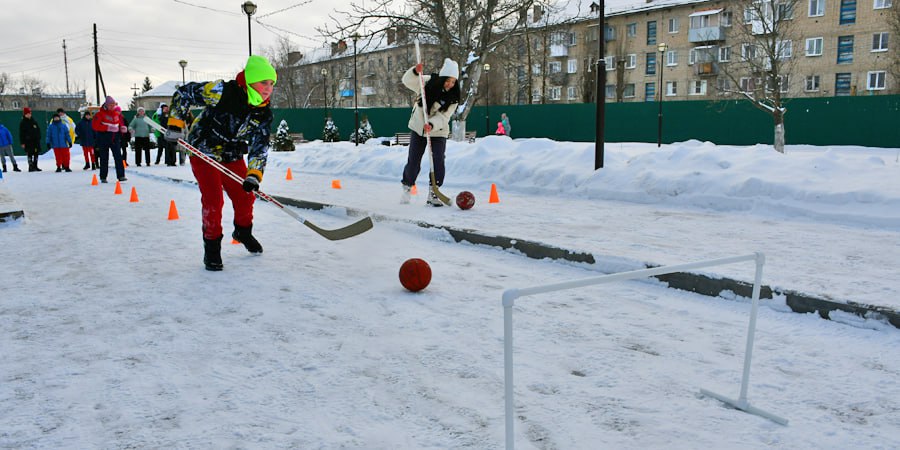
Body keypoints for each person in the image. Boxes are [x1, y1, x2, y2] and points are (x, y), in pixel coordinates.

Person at [167, 55, 276, 271]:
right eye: (264, 82)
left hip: (231, 153)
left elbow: (259, 146)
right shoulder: (222, 91)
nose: (268, 88)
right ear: (251, 79)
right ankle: (212, 248)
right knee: (214, 200)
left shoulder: (263, 113)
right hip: (204, 148)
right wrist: (175, 124)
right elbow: (184, 93)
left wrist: (254, 174)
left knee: (246, 195)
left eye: (272, 84)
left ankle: (243, 231)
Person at [399, 57, 460, 206]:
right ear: (442, 78)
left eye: (453, 82)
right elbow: (408, 81)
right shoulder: (426, 82)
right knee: (414, 161)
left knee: (438, 160)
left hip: (438, 131)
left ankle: (434, 192)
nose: (450, 85)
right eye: (448, 80)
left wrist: (432, 124)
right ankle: (407, 187)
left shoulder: (453, 98)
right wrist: (415, 71)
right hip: (419, 129)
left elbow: (444, 117)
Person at [92, 96, 127, 183]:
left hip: (115, 139)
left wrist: (122, 129)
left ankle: (121, 175)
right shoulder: (99, 114)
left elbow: (118, 124)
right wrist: (107, 128)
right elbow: (95, 126)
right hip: (103, 138)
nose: (112, 106)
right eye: (110, 105)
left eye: (113, 105)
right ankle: (103, 177)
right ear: (106, 105)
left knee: (118, 157)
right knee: (104, 158)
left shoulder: (116, 114)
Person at [19, 107, 42, 172]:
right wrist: (22, 142)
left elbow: (38, 130)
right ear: (25, 114)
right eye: (27, 114)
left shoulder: (34, 121)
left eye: (29, 113)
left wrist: (39, 137)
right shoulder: (23, 123)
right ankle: (30, 167)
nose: (29, 115)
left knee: (36, 153)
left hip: (36, 141)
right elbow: (21, 133)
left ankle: (35, 166)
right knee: (29, 154)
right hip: (28, 142)